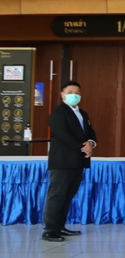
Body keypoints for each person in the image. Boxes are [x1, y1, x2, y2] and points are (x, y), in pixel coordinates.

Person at [41, 81, 97, 242]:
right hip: (62, 161)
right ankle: (50, 230)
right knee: (57, 195)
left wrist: (91, 143)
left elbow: (90, 132)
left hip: (77, 162)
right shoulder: (58, 113)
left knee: (68, 195)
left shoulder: (83, 113)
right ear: (62, 95)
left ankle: (59, 226)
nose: (74, 95)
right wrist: (82, 147)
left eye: (77, 93)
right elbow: (63, 134)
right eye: (70, 92)